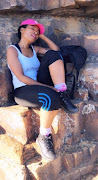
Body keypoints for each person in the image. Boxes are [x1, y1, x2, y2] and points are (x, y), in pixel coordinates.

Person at [7, 19, 78, 162]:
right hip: (23, 90)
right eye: (32, 29)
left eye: (37, 31)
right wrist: (47, 87)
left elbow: (56, 51)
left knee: (53, 55)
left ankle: (61, 92)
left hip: (39, 84)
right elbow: (20, 76)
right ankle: (44, 137)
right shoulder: (12, 49)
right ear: (21, 29)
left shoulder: (35, 49)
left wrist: (42, 36)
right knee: (50, 97)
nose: (35, 32)